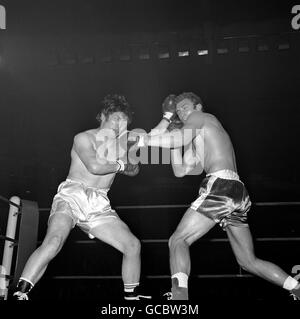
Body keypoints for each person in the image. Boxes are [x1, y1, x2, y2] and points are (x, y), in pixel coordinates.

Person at [136, 92, 300, 300]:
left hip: (221, 186)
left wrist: (147, 139)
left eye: (185, 106)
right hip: (236, 192)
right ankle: (296, 287)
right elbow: (181, 170)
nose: (182, 112)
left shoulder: (201, 118)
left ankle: (179, 298)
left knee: (178, 239)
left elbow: (177, 138)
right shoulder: (200, 135)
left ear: (198, 106)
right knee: (247, 262)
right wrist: (172, 135)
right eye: (178, 110)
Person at [13, 94, 151, 301]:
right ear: (103, 116)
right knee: (54, 241)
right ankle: (20, 293)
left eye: (124, 121)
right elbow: (95, 167)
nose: (119, 124)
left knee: (132, 245)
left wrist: (132, 151)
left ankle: (131, 296)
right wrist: (123, 164)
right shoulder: (83, 138)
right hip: (72, 195)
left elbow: (134, 170)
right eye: (116, 118)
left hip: (99, 203)